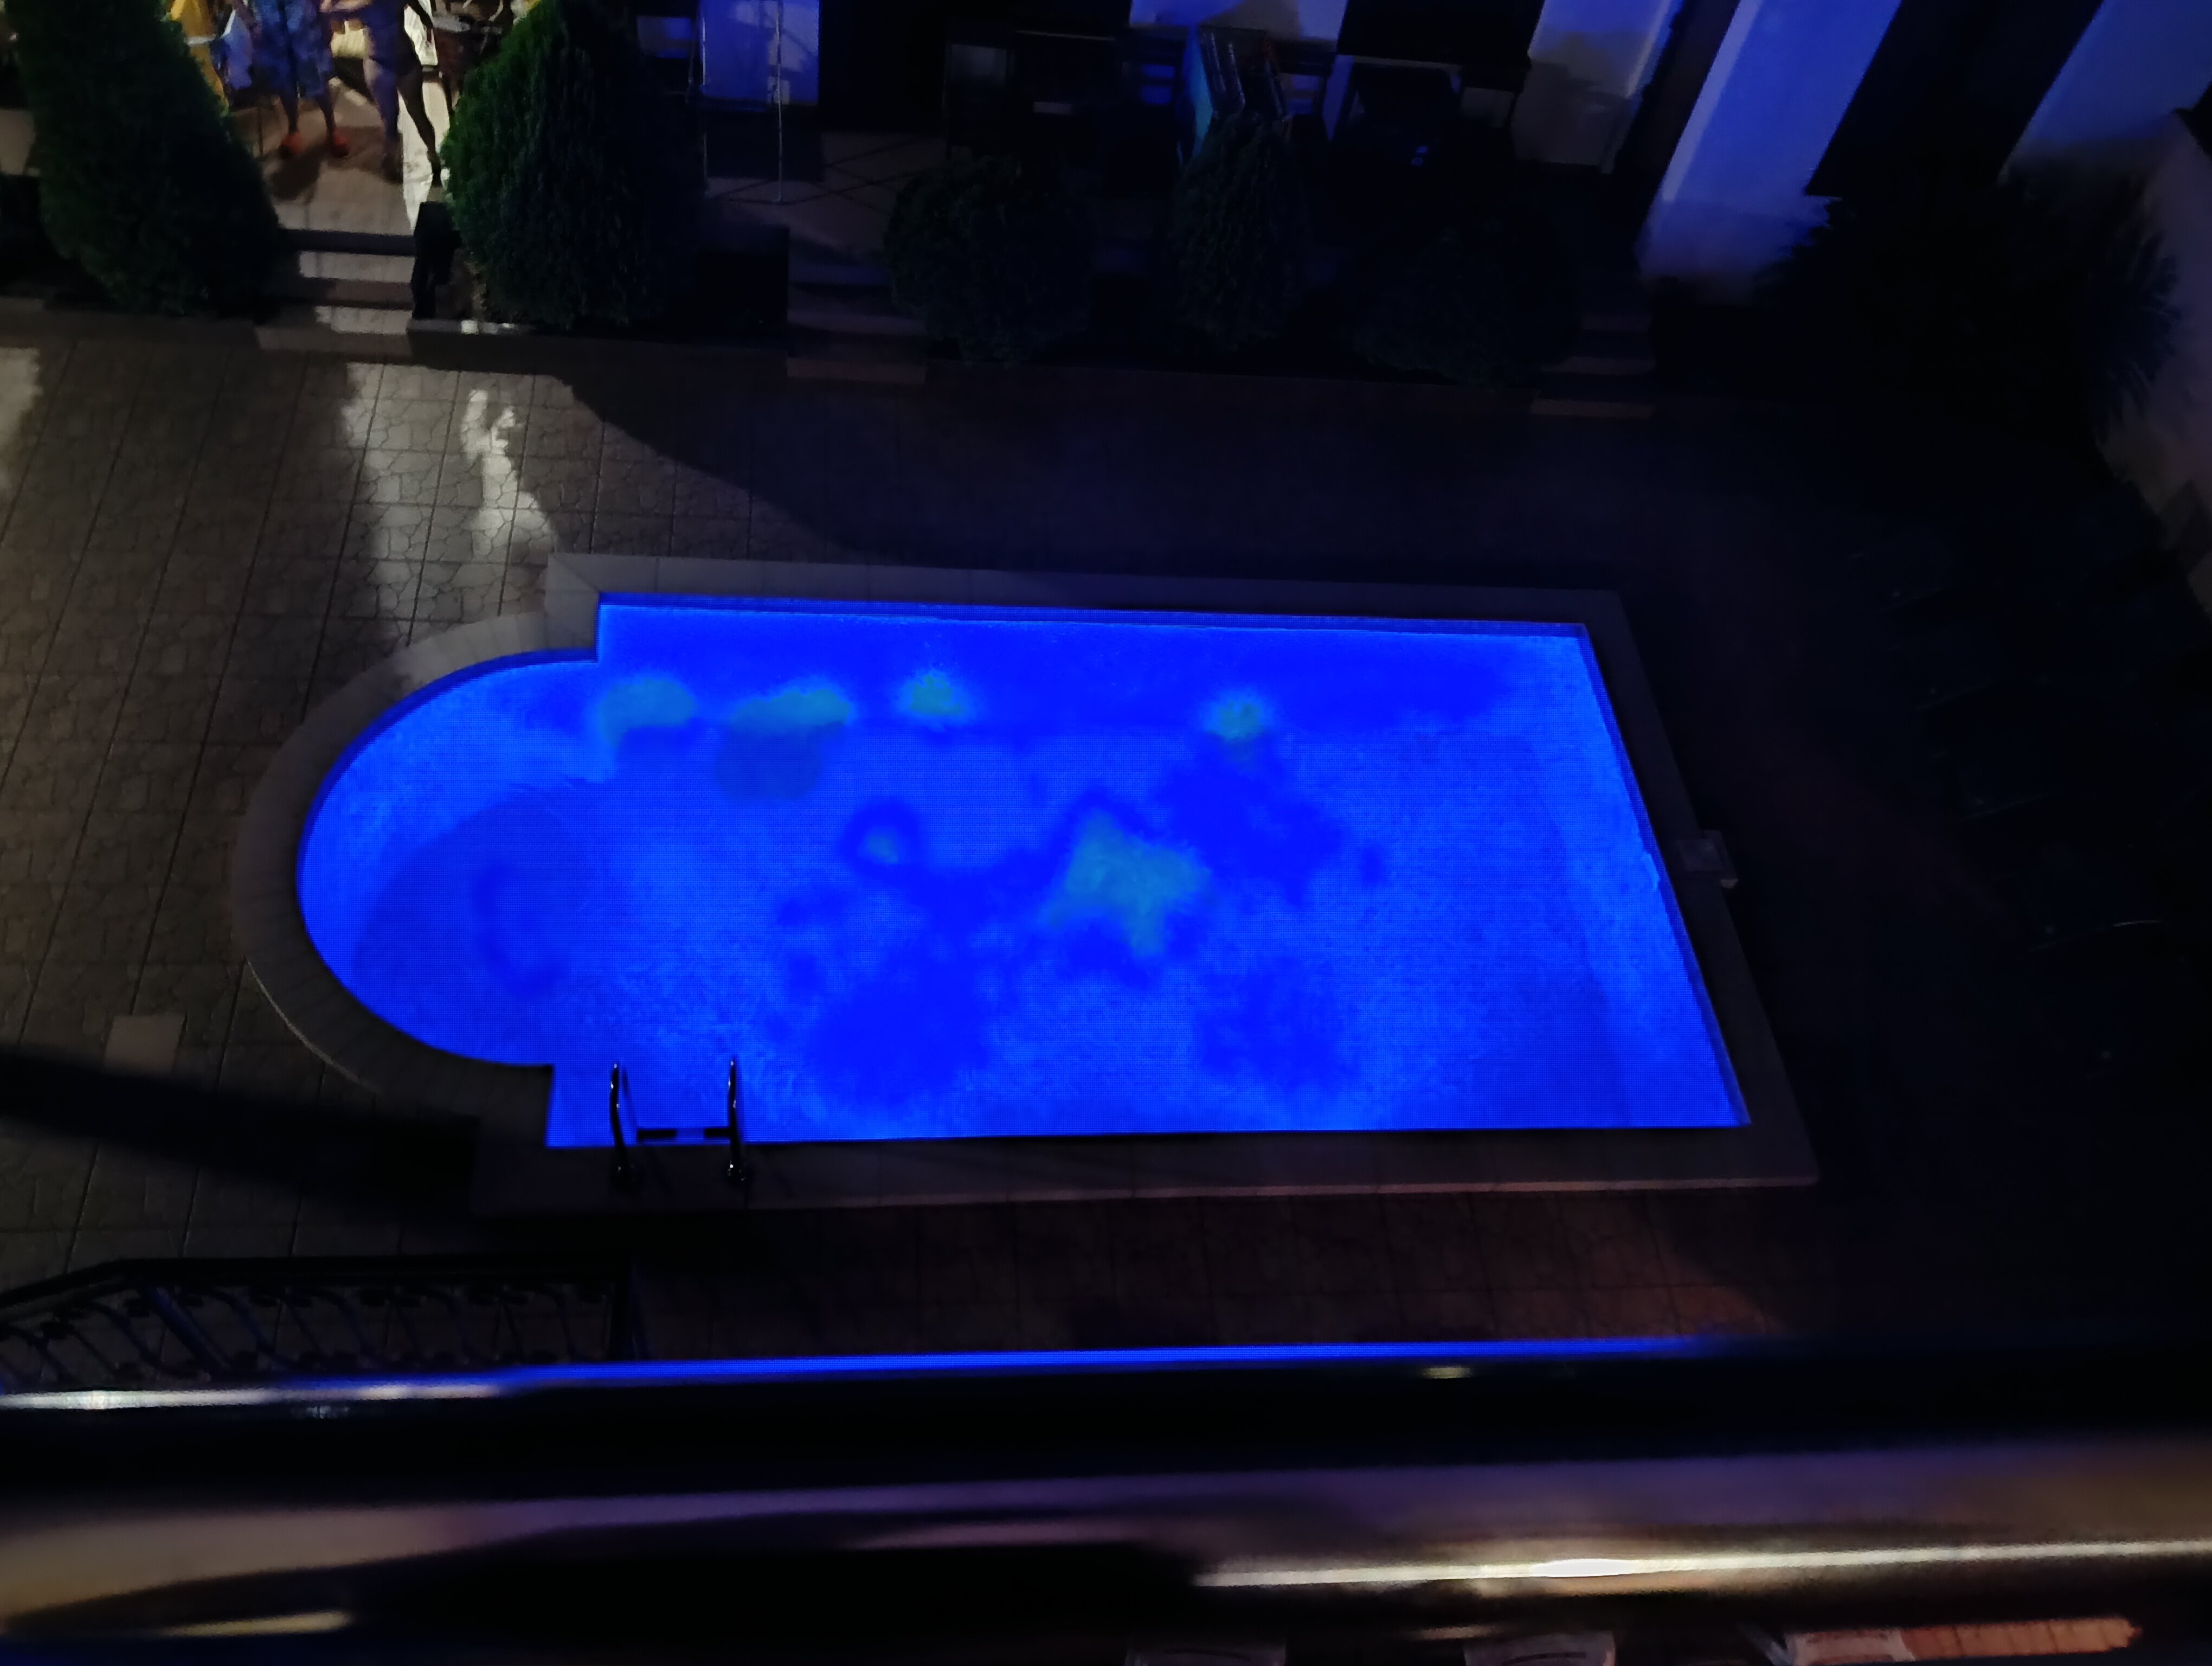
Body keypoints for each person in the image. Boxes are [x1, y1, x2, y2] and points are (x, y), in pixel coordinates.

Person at [325, 0, 440, 182]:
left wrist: (427, 23)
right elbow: (328, 12)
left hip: (396, 63)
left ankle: (429, 159)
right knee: (398, 119)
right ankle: (400, 162)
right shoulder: (364, 6)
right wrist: (427, 21)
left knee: (412, 116)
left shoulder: (366, 6)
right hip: (384, 64)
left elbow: (328, 11)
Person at [243, 0, 347, 160]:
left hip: (303, 12)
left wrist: (326, 19)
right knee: (283, 77)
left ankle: (332, 127)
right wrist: (249, 23)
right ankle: (293, 129)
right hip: (267, 14)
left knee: (314, 71)